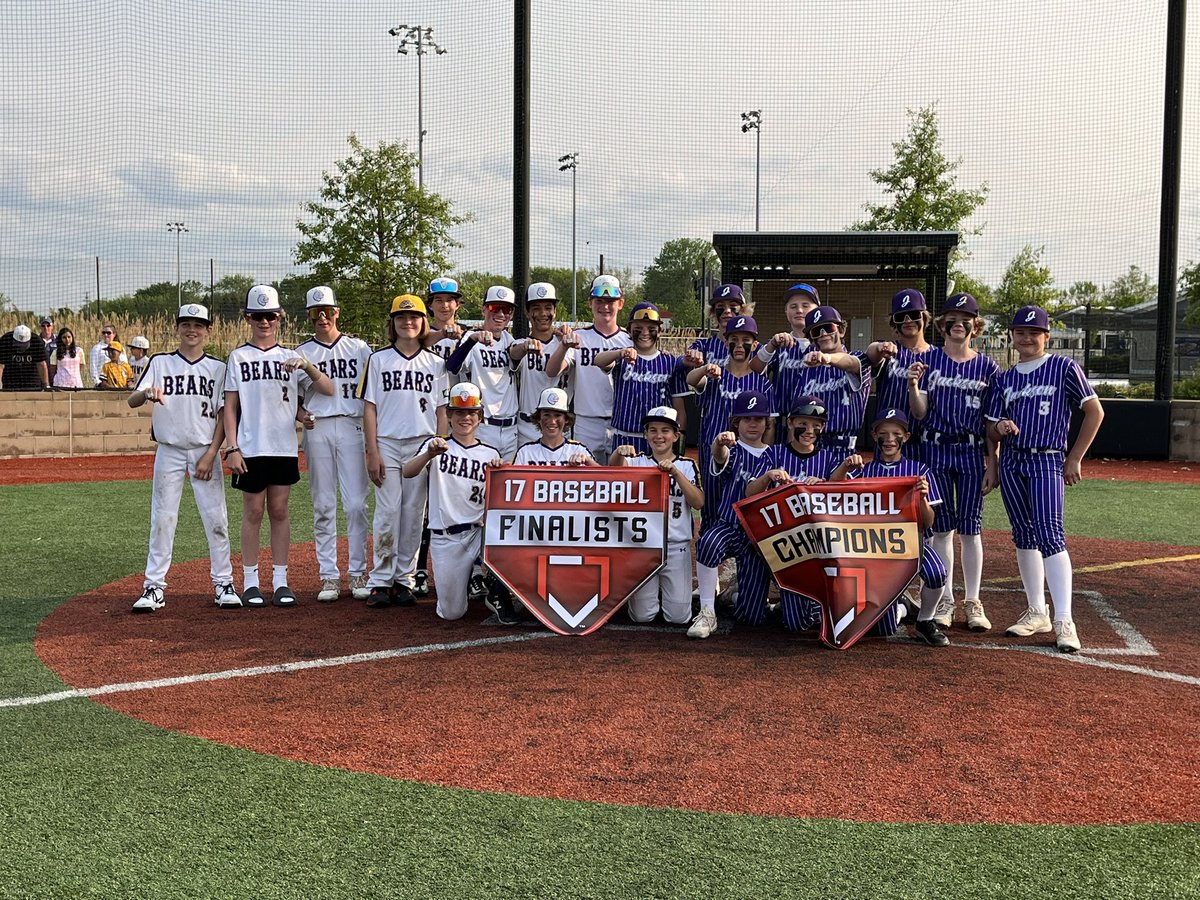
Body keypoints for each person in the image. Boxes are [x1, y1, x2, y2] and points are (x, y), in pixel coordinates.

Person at [986, 305, 1105, 654]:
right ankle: (1037, 609)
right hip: (1012, 460)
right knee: (1023, 534)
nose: (1026, 338)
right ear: (1012, 335)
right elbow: (989, 428)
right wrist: (999, 428)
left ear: (1046, 336)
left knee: (1050, 534)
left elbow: (1094, 411)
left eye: (1033, 332)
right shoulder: (1005, 378)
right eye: (1020, 332)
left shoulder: (1063, 367)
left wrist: (1075, 457)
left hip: (1047, 459)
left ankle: (1064, 619)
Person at [224, 284, 334, 608]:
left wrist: (306, 370)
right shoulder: (238, 357)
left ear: (279, 317)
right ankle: (251, 582)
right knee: (254, 511)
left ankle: (282, 581)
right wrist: (231, 448)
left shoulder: (291, 357)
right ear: (248, 317)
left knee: (280, 510)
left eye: (270, 315)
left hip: (283, 446)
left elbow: (326, 388)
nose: (264, 322)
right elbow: (230, 406)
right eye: (258, 316)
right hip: (250, 445)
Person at [128, 302, 238, 612]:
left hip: (205, 450)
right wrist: (146, 394)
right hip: (170, 450)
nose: (192, 330)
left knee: (216, 518)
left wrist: (213, 453)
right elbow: (132, 400)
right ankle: (153, 587)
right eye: (186, 324)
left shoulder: (218, 367)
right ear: (177, 328)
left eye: (199, 325)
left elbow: (223, 414)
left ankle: (224, 582)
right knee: (163, 518)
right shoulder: (160, 362)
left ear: (208, 331)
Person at [907, 292, 999, 631]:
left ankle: (973, 601)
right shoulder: (931, 362)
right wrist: (913, 385)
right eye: (952, 319)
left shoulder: (988, 366)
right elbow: (920, 413)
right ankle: (944, 598)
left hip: (972, 450)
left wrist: (994, 462)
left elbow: (992, 422)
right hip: (937, 449)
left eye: (966, 319)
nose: (958, 324)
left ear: (975, 325)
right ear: (943, 324)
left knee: (971, 530)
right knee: (942, 529)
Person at [832, 408, 951, 646]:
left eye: (896, 433)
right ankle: (901, 606)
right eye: (883, 433)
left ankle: (926, 619)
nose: (889, 439)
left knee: (937, 572)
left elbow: (929, 522)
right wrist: (845, 467)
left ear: (905, 437)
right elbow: (831, 491)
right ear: (874, 435)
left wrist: (923, 498)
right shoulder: (864, 471)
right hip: (870, 549)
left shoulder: (920, 472)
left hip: (909, 544)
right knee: (882, 630)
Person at [361, 294, 449, 608]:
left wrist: (439, 444)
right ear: (393, 323)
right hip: (386, 442)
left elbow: (441, 411)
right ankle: (381, 581)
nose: (407, 322)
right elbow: (369, 408)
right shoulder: (379, 359)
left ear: (424, 322)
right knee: (387, 513)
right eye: (401, 317)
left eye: (413, 317)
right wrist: (371, 451)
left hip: (421, 444)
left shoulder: (436, 362)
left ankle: (404, 579)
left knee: (414, 515)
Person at [295, 286, 372, 603]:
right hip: (319, 428)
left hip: (353, 425)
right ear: (310, 316)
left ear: (337, 312)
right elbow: (294, 403)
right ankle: (329, 575)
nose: (322, 317)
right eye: (316, 312)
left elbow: (371, 396)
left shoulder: (359, 348)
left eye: (327, 311)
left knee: (356, 503)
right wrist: (302, 416)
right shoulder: (301, 353)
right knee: (324, 505)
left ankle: (358, 572)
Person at [745, 395, 846, 632]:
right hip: (775, 544)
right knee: (749, 616)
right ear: (790, 423)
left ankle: (803, 600)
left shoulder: (829, 459)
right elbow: (749, 492)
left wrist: (823, 485)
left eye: (816, 425)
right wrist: (768, 477)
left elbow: (844, 498)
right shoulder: (774, 454)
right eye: (803, 423)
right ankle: (744, 591)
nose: (809, 430)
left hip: (811, 550)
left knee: (798, 623)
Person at [402, 382, 501, 621]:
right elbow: (407, 471)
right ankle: (470, 581)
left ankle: (497, 592)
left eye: (471, 413)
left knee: (510, 543)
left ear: (479, 417)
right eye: (459, 412)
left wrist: (501, 471)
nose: (465, 418)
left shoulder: (490, 453)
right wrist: (429, 454)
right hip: (446, 537)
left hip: (479, 534)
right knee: (451, 613)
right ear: (449, 415)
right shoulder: (436, 445)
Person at [688, 390, 774, 639]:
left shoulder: (775, 454)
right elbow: (719, 456)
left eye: (758, 419)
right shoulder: (733, 449)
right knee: (708, 542)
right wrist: (719, 443)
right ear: (737, 422)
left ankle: (732, 594)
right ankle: (707, 611)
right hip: (729, 525)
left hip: (757, 534)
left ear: (766, 422)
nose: (753, 424)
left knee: (753, 616)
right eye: (747, 419)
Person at [610, 406, 703, 626]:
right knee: (642, 616)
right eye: (653, 430)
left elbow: (698, 502)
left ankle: (669, 595)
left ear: (675, 435)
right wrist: (618, 453)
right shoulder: (637, 462)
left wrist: (675, 473)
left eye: (665, 430)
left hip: (676, 546)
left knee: (679, 617)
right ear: (645, 434)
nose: (659, 436)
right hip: (643, 548)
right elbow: (613, 476)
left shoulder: (687, 465)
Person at [685, 315, 774, 531]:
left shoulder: (763, 382)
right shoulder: (716, 375)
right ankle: (710, 551)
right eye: (734, 338)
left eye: (746, 339)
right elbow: (691, 380)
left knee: (748, 508)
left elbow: (770, 425)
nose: (740, 345)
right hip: (714, 449)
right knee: (712, 508)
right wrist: (706, 368)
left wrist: (768, 454)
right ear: (726, 342)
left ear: (754, 344)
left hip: (749, 454)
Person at [545, 274, 634, 458]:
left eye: (611, 301)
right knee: (585, 478)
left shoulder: (629, 340)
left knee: (620, 479)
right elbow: (552, 371)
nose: (605, 307)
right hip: (586, 420)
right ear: (590, 303)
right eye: (599, 301)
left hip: (620, 421)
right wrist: (564, 345)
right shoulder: (580, 337)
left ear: (621, 303)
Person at [593, 302, 687, 457]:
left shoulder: (670, 361)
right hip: (625, 436)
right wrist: (620, 353)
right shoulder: (622, 356)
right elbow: (599, 360)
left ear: (659, 331)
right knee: (625, 480)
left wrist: (679, 445)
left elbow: (680, 410)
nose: (645, 333)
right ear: (629, 330)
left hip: (659, 441)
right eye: (638, 329)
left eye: (651, 329)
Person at [446, 285, 522, 461]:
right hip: (483, 426)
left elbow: (516, 355)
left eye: (507, 309)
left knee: (506, 483)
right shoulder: (469, 338)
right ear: (483, 310)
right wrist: (472, 340)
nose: (501, 314)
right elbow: (452, 366)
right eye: (495, 308)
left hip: (511, 428)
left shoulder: (509, 340)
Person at [752, 283, 821, 436]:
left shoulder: (824, 346)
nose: (800, 310)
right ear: (786, 311)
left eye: (805, 305)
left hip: (813, 429)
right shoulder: (778, 343)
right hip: (781, 427)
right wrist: (771, 345)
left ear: (817, 310)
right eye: (793, 306)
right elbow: (755, 368)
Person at [514, 282, 572, 447]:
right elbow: (513, 353)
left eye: (548, 307)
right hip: (527, 426)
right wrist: (525, 347)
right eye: (536, 308)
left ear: (555, 311)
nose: (543, 314)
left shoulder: (566, 343)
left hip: (559, 425)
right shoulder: (520, 343)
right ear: (527, 312)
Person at [512, 386, 596, 467]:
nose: (552, 421)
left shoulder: (579, 450)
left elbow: (603, 477)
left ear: (566, 419)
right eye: (547, 415)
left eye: (557, 415)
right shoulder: (525, 452)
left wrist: (588, 462)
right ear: (539, 418)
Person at [687, 283, 754, 369]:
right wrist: (688, 357)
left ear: (743, 310)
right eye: (721, 306)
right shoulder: (702, 346)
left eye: (733, 306)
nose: (727, 310)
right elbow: (679, 364)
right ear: (713, 311)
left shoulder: (753, 347)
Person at [425, 276, 466, 361]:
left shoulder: (466, 335)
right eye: (439, 300)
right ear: (430, 305)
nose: (445, 305)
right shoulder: (422, 334)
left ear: (457, 304)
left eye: (449, 300)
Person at [0, 325, 49, 390]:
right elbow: (0, 366)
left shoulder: (37, 341)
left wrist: (45, 385)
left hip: (33, 384)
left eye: (23, 347)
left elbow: (42, 365)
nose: (20, 349)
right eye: (18, 346)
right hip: (10, 384)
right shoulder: (5, 341)